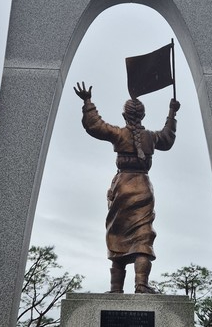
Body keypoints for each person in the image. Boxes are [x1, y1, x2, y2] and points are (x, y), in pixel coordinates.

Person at [74, 82, 180, 293]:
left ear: (124, 116)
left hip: (122, 188)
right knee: (143, 235)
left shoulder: (119, 134)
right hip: (143, 188)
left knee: (118, 236)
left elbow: (95, 126)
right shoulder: (150, 137)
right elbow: (167, 138)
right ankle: (140, 284)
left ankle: (117, 288)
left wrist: (88, 102)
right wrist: (172, 113)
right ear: (142, 115)